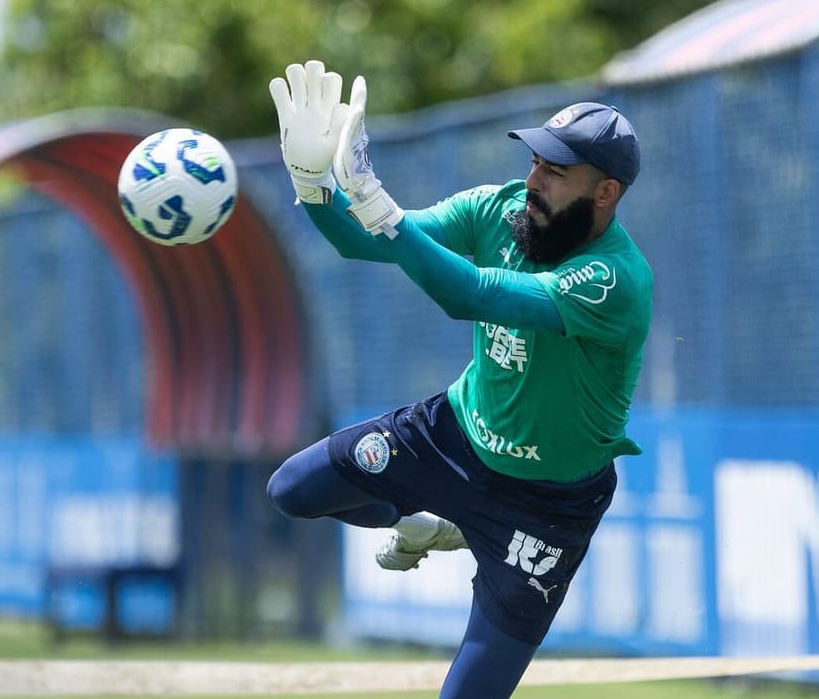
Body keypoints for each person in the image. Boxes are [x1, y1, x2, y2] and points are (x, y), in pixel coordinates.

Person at [263, 60, 652, 699]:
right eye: (534, 162)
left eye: (556, 172)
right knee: (293, 489)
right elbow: (368, 243)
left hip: (546, 508)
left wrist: (381, 209)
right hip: (456, 435)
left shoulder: (616, 280)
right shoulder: (499, 208)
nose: (534, 180)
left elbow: (468, 293)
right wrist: (313, 185)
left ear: (605, 193)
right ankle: (442, 518)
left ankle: (462, 526)